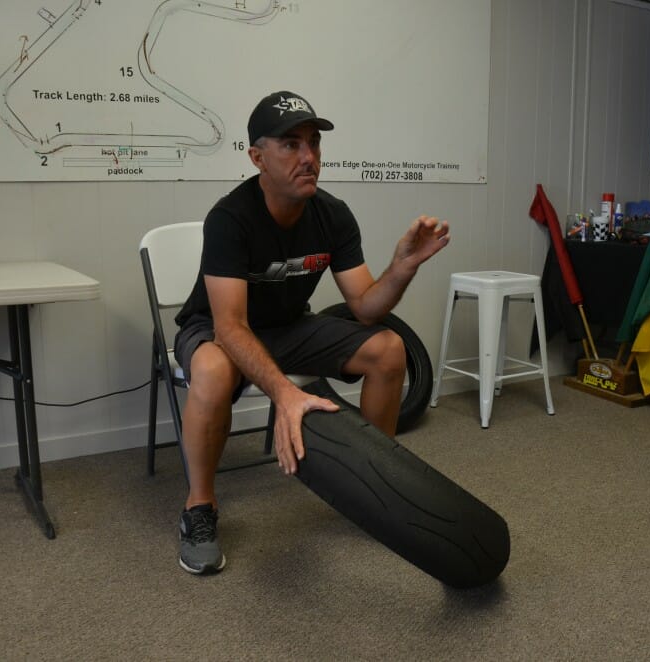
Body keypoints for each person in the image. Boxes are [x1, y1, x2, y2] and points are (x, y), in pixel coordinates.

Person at [172, 90, 450, 575]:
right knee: (213, 371)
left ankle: (376, 488)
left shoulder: (332, 214)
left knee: (388, 349)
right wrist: (285, 395)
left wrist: (402, 267)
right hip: (217, 329)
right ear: (257, 157)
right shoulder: (230, 219)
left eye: (314, 144)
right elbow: (230, 326)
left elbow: (365, 307)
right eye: (291, 144)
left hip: (290, 326)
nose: (309, 157)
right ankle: (199, 507)